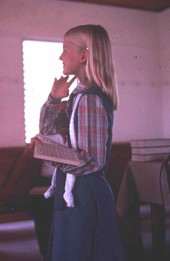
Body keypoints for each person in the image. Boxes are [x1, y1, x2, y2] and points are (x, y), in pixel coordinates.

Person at [38, 24, 125, 261]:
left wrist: (50, 154)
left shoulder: (89, 100)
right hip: (75, 189)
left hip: (85, 193)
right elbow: (49, 130)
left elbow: (92, 161)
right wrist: (54, 100)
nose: (60, 56)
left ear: (84, 55)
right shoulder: (78, 96)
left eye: (65, 49)